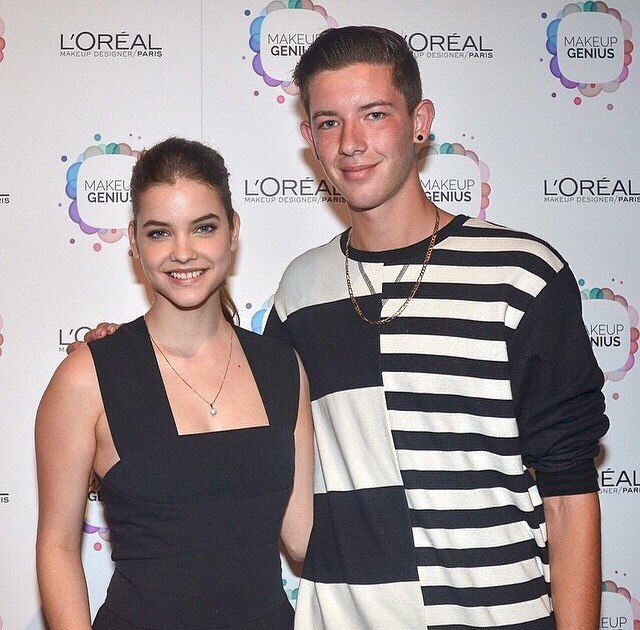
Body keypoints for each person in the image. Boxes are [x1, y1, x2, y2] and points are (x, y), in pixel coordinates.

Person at [76, 26, 609, 630]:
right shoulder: (300, 293)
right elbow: (229, 407)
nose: (351, 143)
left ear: (419, 122)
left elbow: (569, 493)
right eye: (329, 122)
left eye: (374, 114)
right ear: (310, 139)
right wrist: (124, 359)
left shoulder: (521, 274)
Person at [36, 137, 314, 629]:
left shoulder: (281, 367)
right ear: (134, 241)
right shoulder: (89, 377)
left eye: (204, 228)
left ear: (233, 231)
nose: (183, 253)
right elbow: (57, 547)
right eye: (160, 232)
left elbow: (301, 536)